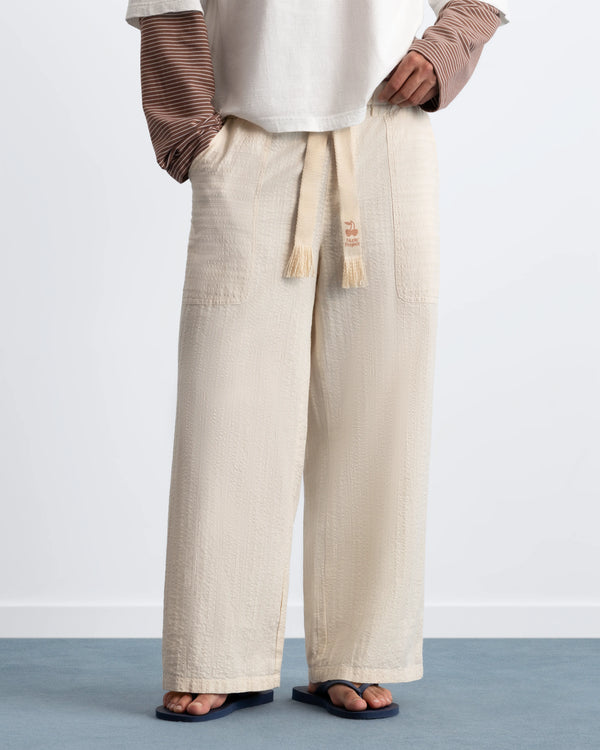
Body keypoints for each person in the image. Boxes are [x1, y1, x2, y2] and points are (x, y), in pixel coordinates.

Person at [125, 0, 510, 722]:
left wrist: (446, 49)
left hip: (387, 138)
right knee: (227, 411)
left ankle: (361, 651)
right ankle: (217, 652)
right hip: (248, 138)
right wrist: (193, 137)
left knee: (380, 411)